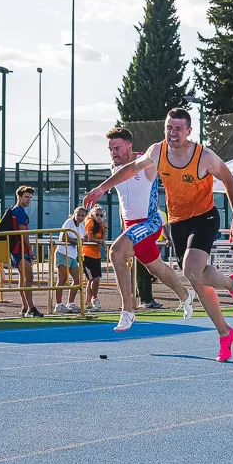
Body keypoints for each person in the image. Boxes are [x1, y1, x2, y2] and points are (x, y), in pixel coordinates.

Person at [85, 110, 233, 359]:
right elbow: (130, 169)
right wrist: (101, 188)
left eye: (178, 129)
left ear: (189, 131)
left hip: (204, 216)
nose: (172, 133)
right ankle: (226, 329)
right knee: (195, 278)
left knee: (191, 270)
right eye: (169, 128)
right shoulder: (157, 152)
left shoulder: (204, 156)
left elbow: (228, 179)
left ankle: (231, 286)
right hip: (178, 221)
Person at [86, 130, 194, 330]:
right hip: (131, 226)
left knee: (115, 253)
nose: (113, 153)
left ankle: (128, 311)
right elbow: (123, 199)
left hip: (150, 222)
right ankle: (186, 295)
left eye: (117, 148)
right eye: (110, 149)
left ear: (129, 146)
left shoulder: (147, 161)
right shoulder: (114, 167)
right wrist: (123, 226)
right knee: (157, 268)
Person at [0, 185, 43, 318]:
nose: (28, 200)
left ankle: (25, 307)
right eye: (26, 197)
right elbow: (23, 233)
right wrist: (30, 249)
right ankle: (30, 308)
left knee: (24, 278)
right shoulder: (19, 211)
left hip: (16, 249)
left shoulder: (15, 210)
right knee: (28, 278)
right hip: (19, 249)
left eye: (30, 198)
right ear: (19, 197)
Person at [54, 206, 87, 314]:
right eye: (78, 214)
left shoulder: (81, 226)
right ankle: (58, 304)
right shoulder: (69, 222)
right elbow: (64, 237)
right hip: (63, 253)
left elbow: (84, 237)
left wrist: (81, 240)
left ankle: (70, 303)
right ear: (74, 214)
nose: (80, 217)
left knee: (77, 280)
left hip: (73, 255)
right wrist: (77, 241)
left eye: (82, 215)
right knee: (62, 279)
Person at [83, 206, 107, 311]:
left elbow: (102, 239)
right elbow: (90, 238)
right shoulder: (90, 222)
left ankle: (90, 300)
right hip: (87, 254)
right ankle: (92, 299)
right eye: (97, 214)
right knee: (93, 278)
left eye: (101, 215)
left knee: (95, 279)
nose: (99, 217)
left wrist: (104, 229)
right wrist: (101, 241)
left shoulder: (101, 225)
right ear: (92, 214)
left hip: (96, 254)